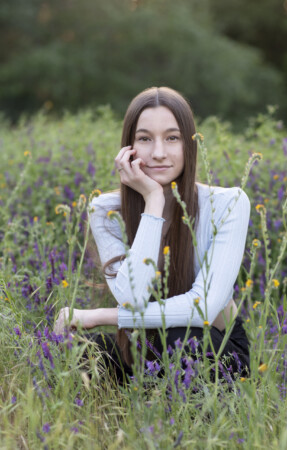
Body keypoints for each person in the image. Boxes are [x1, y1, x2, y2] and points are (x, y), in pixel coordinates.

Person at [54, 86, 251, 384]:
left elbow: (205, 309)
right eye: (145, 139)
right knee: (63, 353)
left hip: (213, 347)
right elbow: (132, 299)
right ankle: (143, 398)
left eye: (172, 138)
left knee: (181, 339)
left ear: (189, 145)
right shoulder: (105, 210)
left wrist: (100, 316)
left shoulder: (229, 203)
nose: (159, 153)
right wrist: (153, 202)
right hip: (140, 346)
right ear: (128, 148)